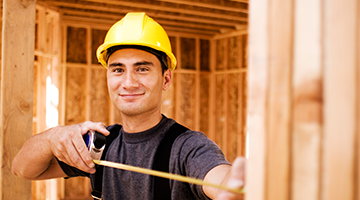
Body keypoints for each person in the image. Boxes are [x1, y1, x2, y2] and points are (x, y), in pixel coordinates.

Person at [12, 12, 245, 200]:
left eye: (142, 69)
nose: (129, 82)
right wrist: (52, 137)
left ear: (166, 79)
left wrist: (237, 183)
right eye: (118, 69)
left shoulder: (188, 147)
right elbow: (22, 169)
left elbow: (222, 181)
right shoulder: (100, 144)